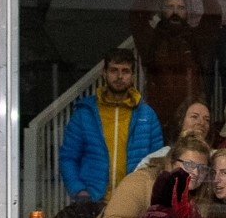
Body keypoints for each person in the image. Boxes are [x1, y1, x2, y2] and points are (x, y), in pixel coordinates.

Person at [60, 49, 164, 206]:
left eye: (125, 71)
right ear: (104, 73)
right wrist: (79, 191)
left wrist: (147, 194)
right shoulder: (84, 114)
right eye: (114, 70)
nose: (120, 76)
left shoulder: (148, 116)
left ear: (133, 76)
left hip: (133, 203)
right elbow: (68, 158)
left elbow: (158, 162)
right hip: (92, 201)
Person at [131, 0, 222, 124]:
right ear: (161, 10)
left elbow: (214, 16)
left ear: (187, 12)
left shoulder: (196, 39)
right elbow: (135, 17)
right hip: (157, 120)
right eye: (170, 7)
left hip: (190, 119)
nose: (175, 12)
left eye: (180, 7)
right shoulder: (151, 39)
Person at [94, 134, 211, 218]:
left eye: (202, 168)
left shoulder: (201, 195)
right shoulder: (140, 181)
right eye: (189, 165)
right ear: (171, 163)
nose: (196, 173)